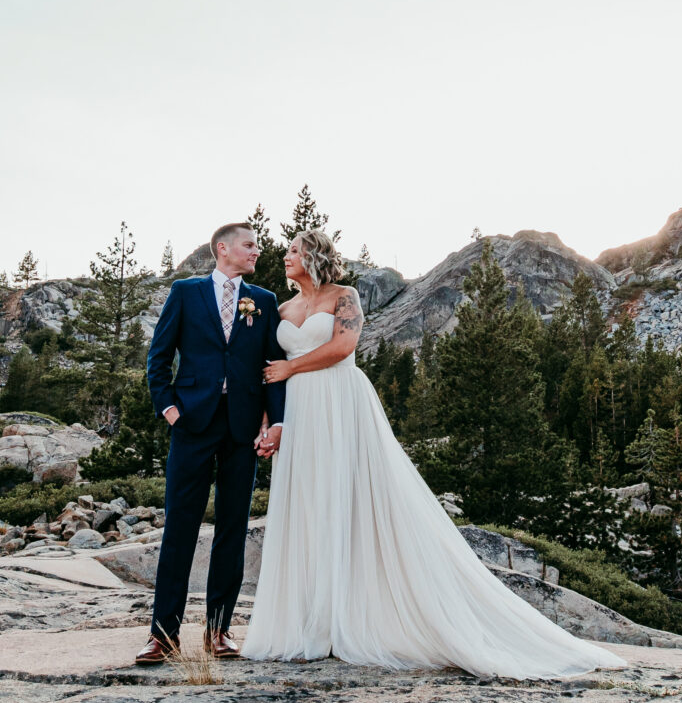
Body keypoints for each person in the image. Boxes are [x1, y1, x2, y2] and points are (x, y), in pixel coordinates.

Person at [242, 227, 624, 679]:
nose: (284, 256)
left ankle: (351, 616)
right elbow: (267, 374)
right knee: (307, 508)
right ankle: (308, 621)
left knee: (349, 504)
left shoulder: (345, 296)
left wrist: (291, 366)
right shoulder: (282, 309)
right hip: (301, 415)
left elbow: (344, 346)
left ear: (314, 254)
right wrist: (271, 423)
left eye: (292, 249)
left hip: (342, 403)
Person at [137, 220, 284, 664]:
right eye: (249, 245)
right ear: (223, 248)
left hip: (241, 430)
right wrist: (170, 410)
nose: (256, 252)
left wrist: (274, 422)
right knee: (179, 528)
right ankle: (163, 634)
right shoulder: (186, 292)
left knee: (232, 529)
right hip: (192, 425)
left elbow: (273, 366)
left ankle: (219, 631)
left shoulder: (264, 301)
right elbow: (158, 358)